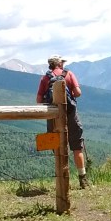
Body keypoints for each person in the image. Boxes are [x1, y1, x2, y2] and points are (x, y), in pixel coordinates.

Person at [36, 55, 90, 189]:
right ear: (60, 64)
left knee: (56, 145)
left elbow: (38, 100)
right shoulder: (69, 74)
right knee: (77, 146)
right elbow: (78, 93)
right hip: (70, 113)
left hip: (53, 115)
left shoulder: (45, 78)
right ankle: (82, 178)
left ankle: (62, 176)